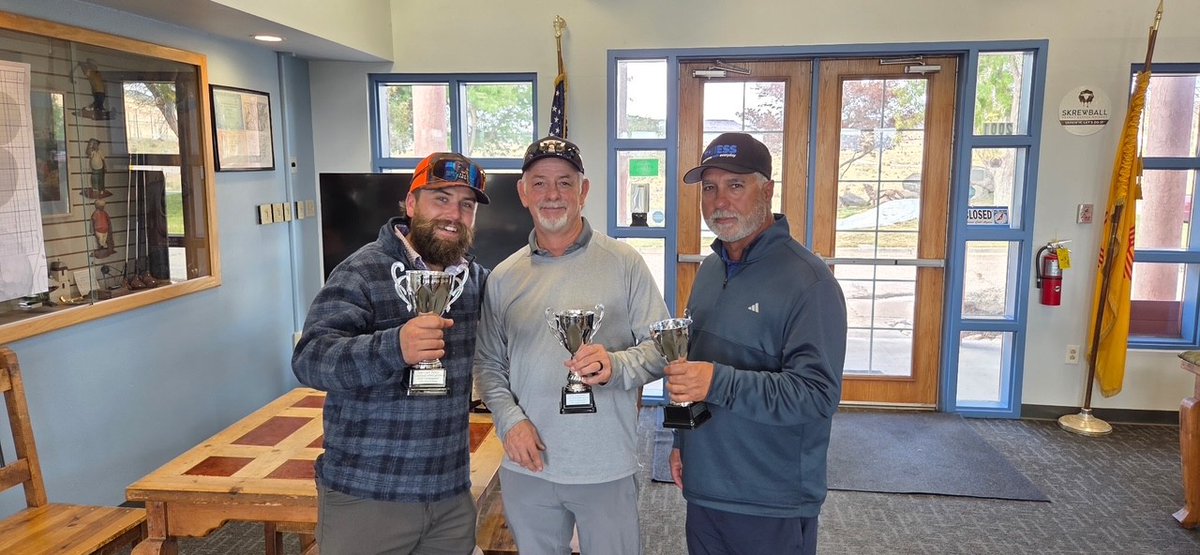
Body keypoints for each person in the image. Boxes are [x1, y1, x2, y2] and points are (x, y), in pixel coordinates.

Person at [474, 136, 670, 555]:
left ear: (584, 190)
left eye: (565, 182)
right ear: (524, 193)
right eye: (540, 183)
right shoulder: (504, 277)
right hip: (527, 463)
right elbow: (488, 364)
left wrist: (617, 366)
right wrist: (511, 422)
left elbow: (662, 349)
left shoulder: (625, 262)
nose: (552, 195)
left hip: (604, 464)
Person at [293, 152, 491, 554]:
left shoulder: (474, 281)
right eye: (441, 198)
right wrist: (394, 346)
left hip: (449, 496)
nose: (454, 213)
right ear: (412, 203)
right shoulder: (362, 270)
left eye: (466, 205)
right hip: (368, 495)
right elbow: (310, 358)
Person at [666, 132, 847, 555]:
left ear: (766, 191)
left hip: (771, 500)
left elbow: (817, 395)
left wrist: (717, 383)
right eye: (709, 188)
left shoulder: (810, 282)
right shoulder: (711, 270)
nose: (719, 201)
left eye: (735, 185)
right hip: (705, 490)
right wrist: (680, 443)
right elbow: (688, 367)